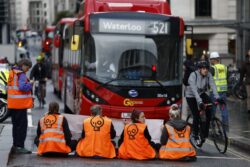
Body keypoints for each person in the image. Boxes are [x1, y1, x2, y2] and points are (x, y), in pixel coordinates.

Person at [185, 61, 220, 147]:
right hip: (191, 96)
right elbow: (194, 91)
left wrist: (218, 97)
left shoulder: (208, 75)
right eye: (203, 68)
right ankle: (195, 135)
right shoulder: (193, 76)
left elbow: (213, 85)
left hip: (201, 94)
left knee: (209, 111)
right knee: (196, 115)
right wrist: (200, 102)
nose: (205, 70)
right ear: (200, 69)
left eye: (207, 68)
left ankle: (205, 133)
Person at [8, 59, 33, 154]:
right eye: (27, 67)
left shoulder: (12, 72)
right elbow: (22, 88)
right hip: (20, 105)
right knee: (22, 127)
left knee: (15, 126)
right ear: (23, 65)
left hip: (13, 104)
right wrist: (30, 84)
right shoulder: (21, 74)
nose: (27, 70)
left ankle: (15, 145)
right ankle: (20, 146)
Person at [209, 52, 229, 130]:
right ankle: (226, 129)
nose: (210, 61)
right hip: (223, 92)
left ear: (214, 60)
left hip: (214, 93)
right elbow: (226, 78)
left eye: (211, 59)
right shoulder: (225, 67)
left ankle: (212, 127)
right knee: (224, 110)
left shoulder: (212, 68)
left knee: (212, 110)